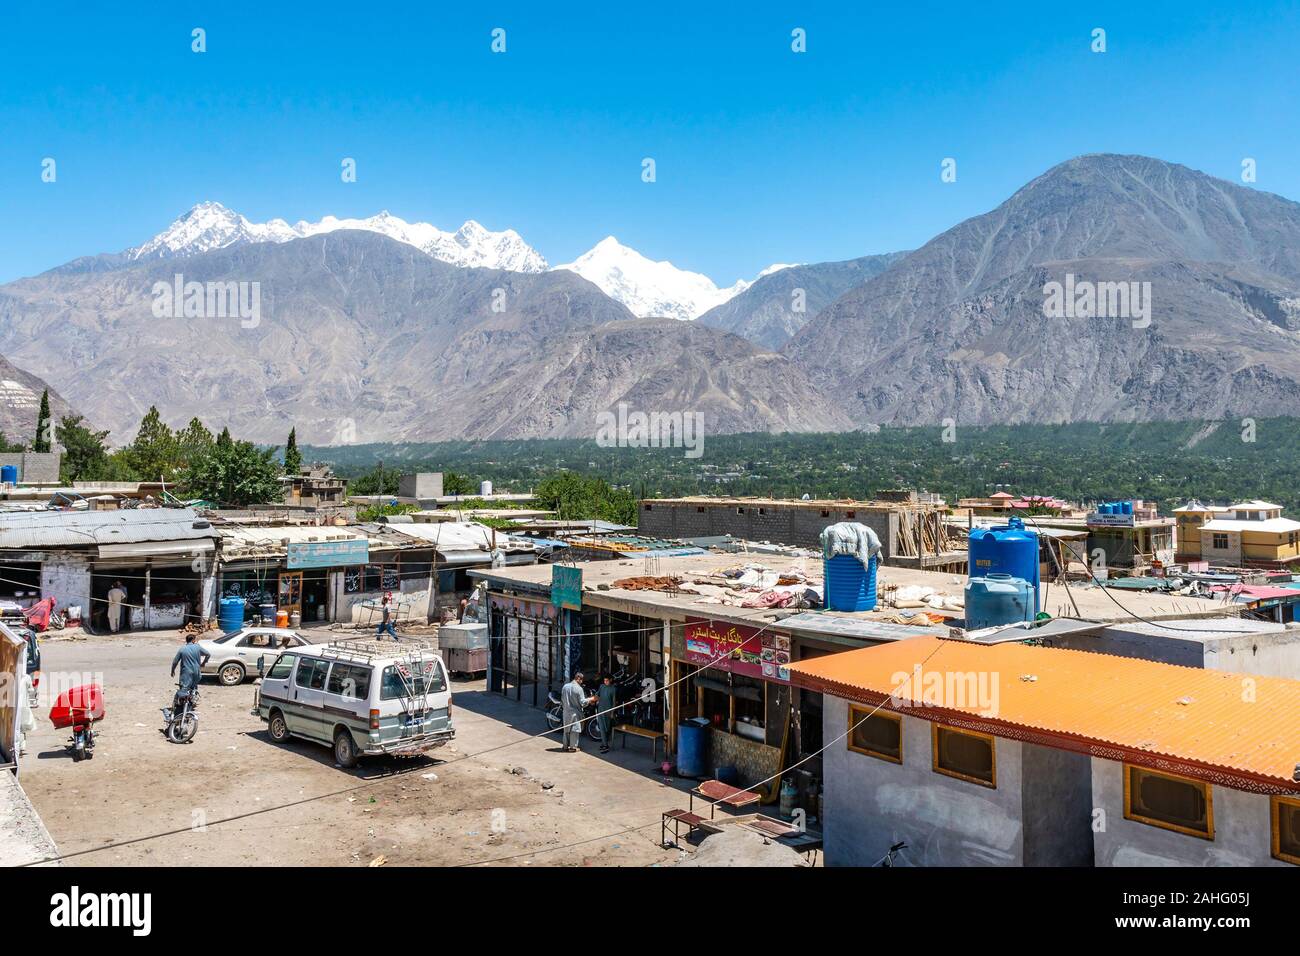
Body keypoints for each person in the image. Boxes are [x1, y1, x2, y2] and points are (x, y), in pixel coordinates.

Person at [559, 671, 596, 752]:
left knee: (566, 730)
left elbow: (562, 699)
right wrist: (591, 699)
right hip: (575, 713)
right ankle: (573, 747)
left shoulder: (565, 686)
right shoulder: (579, 689)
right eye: (581, 680)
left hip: (566, 712)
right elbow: (583, 703)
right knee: (574, 730)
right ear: (578, 678)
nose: (581, 682)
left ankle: (565, 746)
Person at [596, 673, 619, 754]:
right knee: (602, 728)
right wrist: (594, 698)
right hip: (601, 710)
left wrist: (612, 712)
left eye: (607, 681)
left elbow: (613, 702)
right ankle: (605, 745)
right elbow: (597, 694)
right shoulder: (602, 686)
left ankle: (604, 743)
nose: (605, 682)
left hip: (608, 711)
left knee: (607, 728)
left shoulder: (613, 689)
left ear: (610, 680)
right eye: (604, 680)